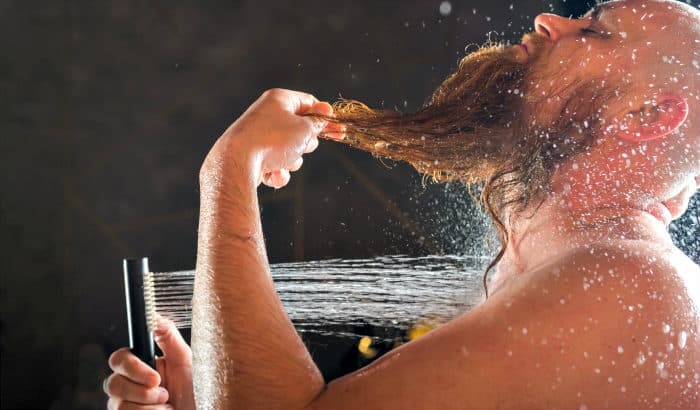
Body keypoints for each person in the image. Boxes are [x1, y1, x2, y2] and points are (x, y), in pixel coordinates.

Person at [104, 0, 700, 408]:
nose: (549, 20)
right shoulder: (560, 276)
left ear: (647, 117)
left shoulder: (630, 283)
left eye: (593, 30)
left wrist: (228, 171)